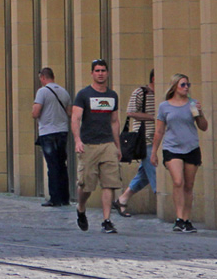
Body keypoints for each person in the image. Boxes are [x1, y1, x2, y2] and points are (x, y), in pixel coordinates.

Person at [150, 73, 208, 233]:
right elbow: (159, 130)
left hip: (191, 147)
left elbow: (203, 127)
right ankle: (179, 218)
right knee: (178, 181)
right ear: (175, 86)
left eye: (188, 85)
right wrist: (154, 152)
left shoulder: (193, 104)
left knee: (189, 185)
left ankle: (187, 219)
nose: (186, 87)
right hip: (172, 148)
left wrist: (200, 113)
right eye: (183, 84)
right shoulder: (164, 106)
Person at [71, 59, 122, 233]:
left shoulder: (112, 95)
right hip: (88, 145)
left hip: (107, 143)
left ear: (107, 73)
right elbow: (76, 118)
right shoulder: (84, 94)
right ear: (92, 73)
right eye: (97, 70)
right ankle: (81, 208)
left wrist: (117, 146)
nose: (100, 73)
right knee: (86, 185)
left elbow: (114, 121)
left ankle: (106, 220)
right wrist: (78, 140)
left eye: (103, 70)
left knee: (109, 183)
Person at [114, 69, 156, 217]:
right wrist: (152, 118)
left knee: (144, 175)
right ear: (154, 78)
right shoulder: (141, 92)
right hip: (145, 140)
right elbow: (130, 112)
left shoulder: (164, 95)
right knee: (156, 173)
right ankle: (176, 209)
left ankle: (122, 200)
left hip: (158, 139)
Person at [31, 67, 71, 207]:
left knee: (52, 166)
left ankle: (54, 198)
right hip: (62, 132)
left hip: (48, 132)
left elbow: (36, 113)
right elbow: (69, 112)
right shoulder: (64, 91)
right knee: (62, 165)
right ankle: (65, 198)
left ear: (42, 77)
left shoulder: (42, 91)